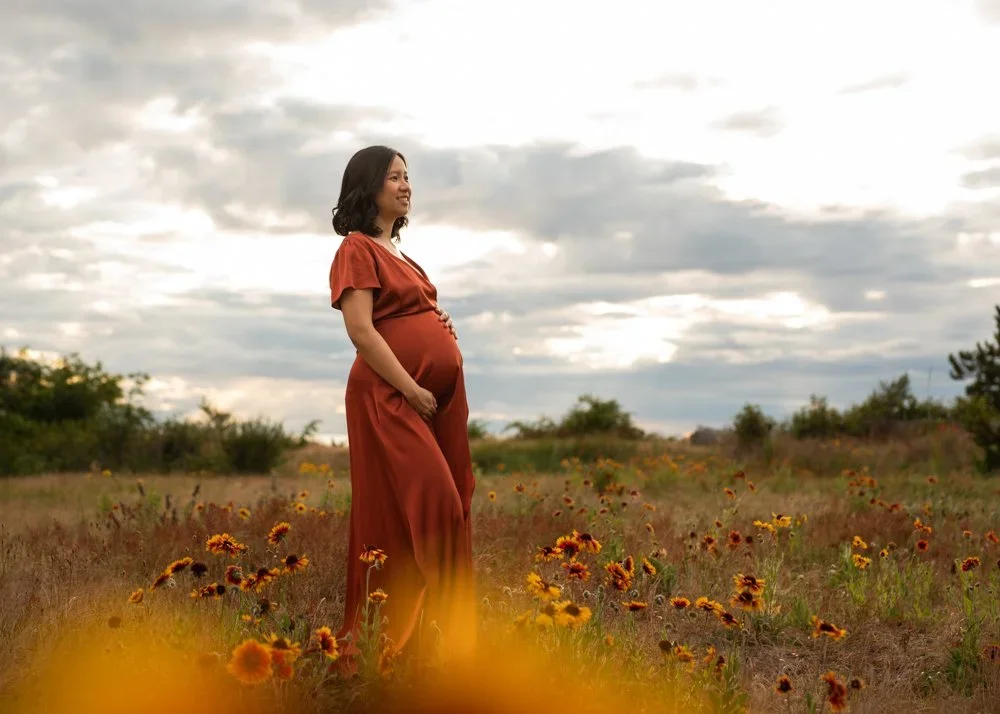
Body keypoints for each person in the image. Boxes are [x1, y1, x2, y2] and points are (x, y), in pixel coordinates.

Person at [328, 145, 477, 669]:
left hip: (432, 398)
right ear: (369, 187)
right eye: (395, 177)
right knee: (431, 505)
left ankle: (420, 642)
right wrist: (411, 390)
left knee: (453, 499)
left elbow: (412, 314)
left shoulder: (403, 257)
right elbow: (362, 331)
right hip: (389, 396)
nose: (406, 185)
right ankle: (441, 638)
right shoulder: (357, 248)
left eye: (408, 176)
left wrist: (441, 327)